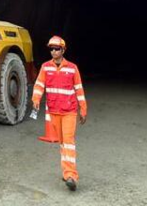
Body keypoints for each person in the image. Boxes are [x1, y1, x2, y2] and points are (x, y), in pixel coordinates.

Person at [29, 35, 87, 191]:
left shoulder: (72, 68)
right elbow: (39, 85)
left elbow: (79, 89)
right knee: (62, 143)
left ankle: (71, 175)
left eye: (56, 49)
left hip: (69, 112)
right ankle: (66, 171)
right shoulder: (45, 67)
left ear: (63, 50)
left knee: (68, 142)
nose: (53, 51)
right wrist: (35, 99)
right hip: (54, 111)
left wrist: (83, 108)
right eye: (51, 49)